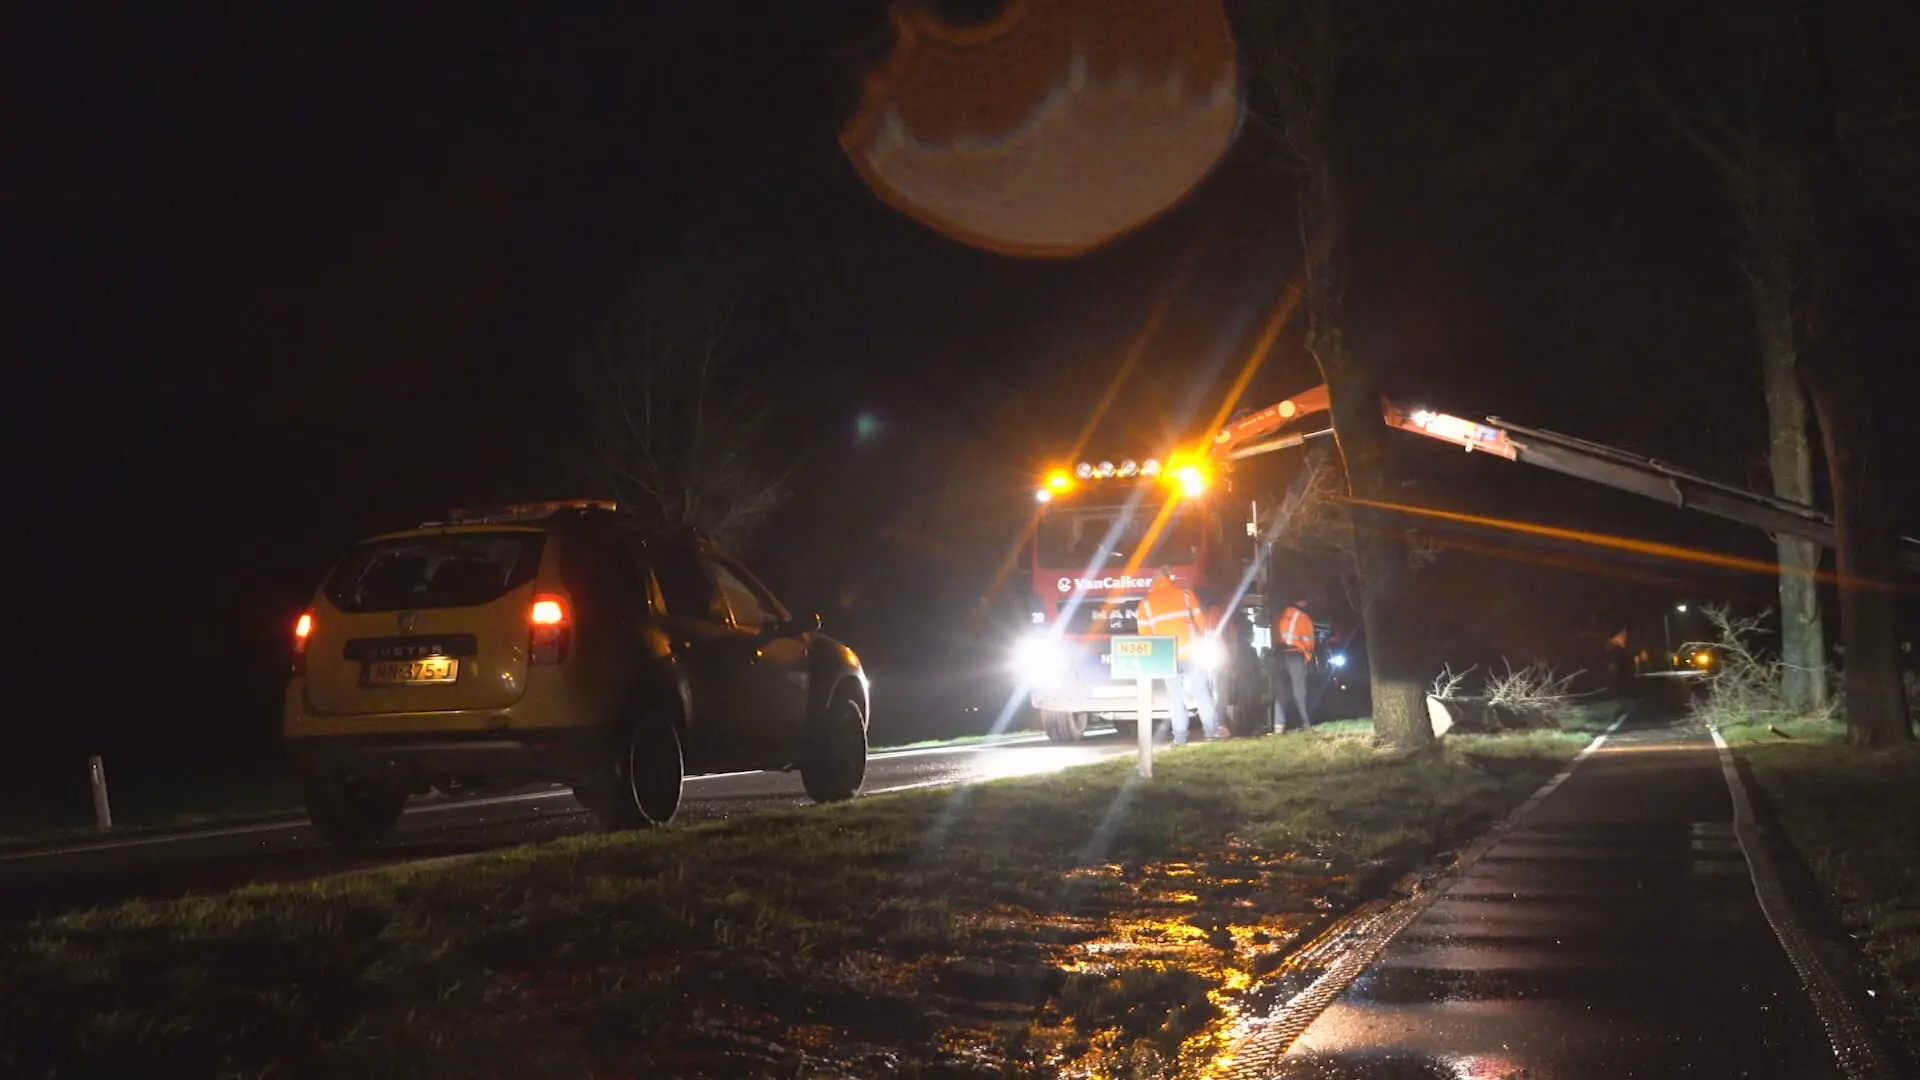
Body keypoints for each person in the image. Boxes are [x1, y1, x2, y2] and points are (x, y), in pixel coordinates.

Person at [1135, 566, 1222, 744]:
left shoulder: (1145, 604)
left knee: (1175, 696)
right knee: (1201, 692)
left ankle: (1180, 738)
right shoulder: (1185, 594)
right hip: (1192, 653)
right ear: (1169, 578)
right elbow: (1203, 623)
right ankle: (1211, 733)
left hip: (1167, 658)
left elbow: (1145, 637)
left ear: (1153, 582)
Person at [1272, 597, 1315, 732]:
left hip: (1278, 655)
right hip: (1295, 655)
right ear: (1303, 602)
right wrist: (1308, 657)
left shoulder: (1279, 615)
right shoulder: (1302, 617)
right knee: (1299, 690)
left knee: (1280, 691)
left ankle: (1278, 725)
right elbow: (1309, 642)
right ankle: (1306, 723)